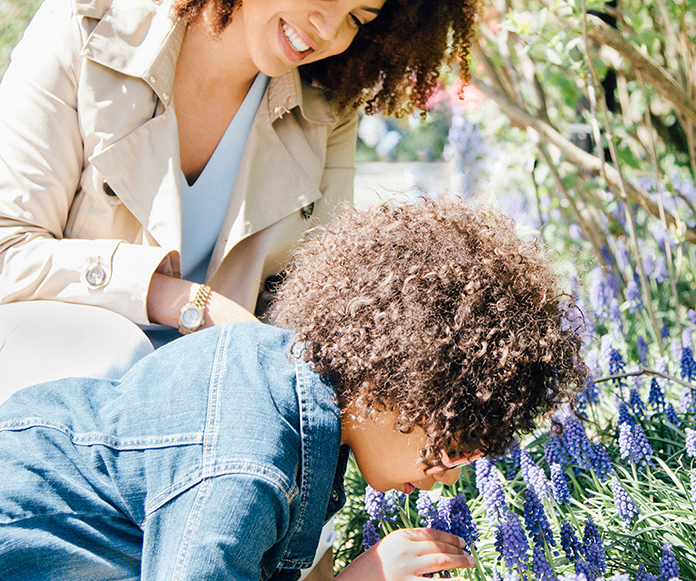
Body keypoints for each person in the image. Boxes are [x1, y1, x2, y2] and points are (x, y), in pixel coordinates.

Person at [0, 0, 487, 397]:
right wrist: (184, 302)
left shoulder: (326, 115)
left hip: (211, 405)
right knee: (112, 354)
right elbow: (8, 252)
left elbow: (312, 305)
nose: (328, 31)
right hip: (54, 389)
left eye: (358, 18)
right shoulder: (80, 40)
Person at [0, 198, 586, 580]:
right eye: (455, 443)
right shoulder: (248, 464)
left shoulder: (280, 387)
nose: (455, 473)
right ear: (391, 381)